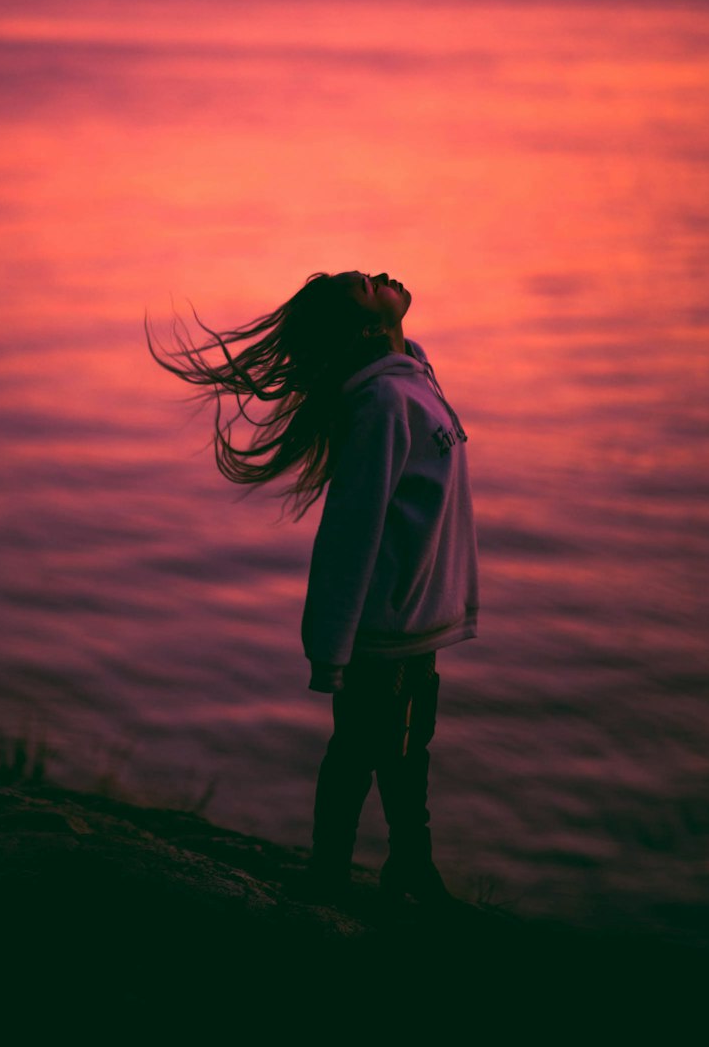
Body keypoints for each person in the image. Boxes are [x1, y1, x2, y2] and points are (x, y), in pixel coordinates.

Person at [146, 269, 479, 911]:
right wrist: (329, 650)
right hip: (386, 623)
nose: (378, 274)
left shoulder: (412, 372)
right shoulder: (384, 405)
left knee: (407, 746)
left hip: (417, 615)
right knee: (364, 750)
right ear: (365, 325)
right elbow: (349, 536)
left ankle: (405, 863)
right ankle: (337, 875)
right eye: (363, 285)